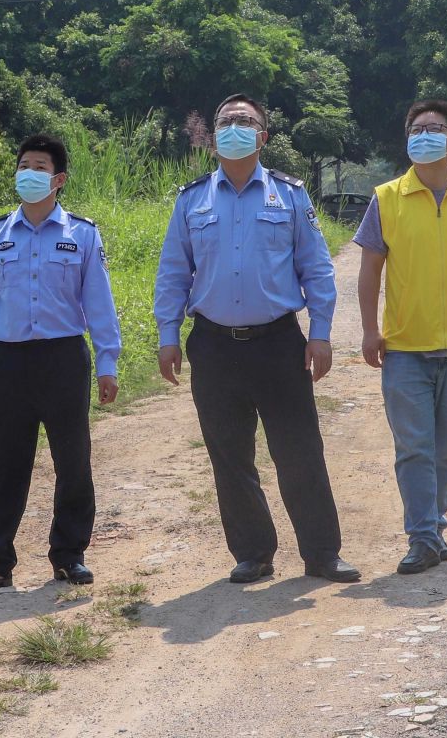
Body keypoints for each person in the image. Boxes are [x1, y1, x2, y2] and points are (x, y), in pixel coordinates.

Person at [154, 94, 360, 585]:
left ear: (262, 136)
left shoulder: (290, 195)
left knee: (299, 451)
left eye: (245, 120)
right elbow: (173, 272)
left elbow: (317, 269)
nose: (235, 126)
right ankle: (253, 553)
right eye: (226, 120)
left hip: (278, 344)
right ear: (213, 138)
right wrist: (168, 334)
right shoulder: (192, 199)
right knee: (230, 456)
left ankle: (321, 553)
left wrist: (321, 334)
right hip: (214, 345)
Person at [0, 134, 122, 591]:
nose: (28, 174)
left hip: (63, 358)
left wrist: (108, 362)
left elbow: (99, 304)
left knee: (73, 462)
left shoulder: (82, 234)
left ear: (59, 179)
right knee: (7, 465)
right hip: (9, 361)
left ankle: (69, 555)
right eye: (23, 166)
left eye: (39, 167)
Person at [355, 98, 447, 576]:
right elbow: (370, 270)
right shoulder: (386, 198)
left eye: (433, 129)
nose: (423, 136)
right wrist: (369, 330)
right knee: (414, 448)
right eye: (416, 130)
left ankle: (433, 528)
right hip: (404, 348)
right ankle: (422, 537)